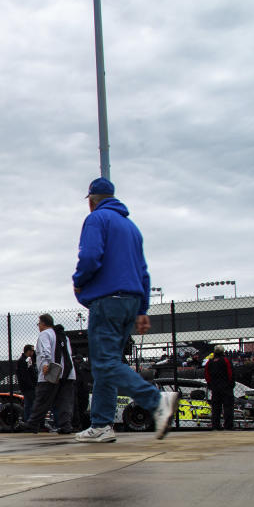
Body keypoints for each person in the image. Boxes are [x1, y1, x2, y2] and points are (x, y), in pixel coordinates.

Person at [72, 177, 178, 442]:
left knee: (104, 363)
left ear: (91, 201)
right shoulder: (132, 227)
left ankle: (157, 402)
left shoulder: (97, 219)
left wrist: (78, 282)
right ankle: (102, 424)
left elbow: (89, 256)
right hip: (130, 301)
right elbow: (143, 271)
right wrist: (142, 309)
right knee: (107, 365)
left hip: (108, 300)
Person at [23, 315, 76, 434]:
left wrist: (46, 364)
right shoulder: (64, 336)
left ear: (43, 324)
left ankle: (32, 424)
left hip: (51, 372)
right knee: (64, 401)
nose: (38, 327)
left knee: (42, 399)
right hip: (67, 372)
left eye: (39, 324)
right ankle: (65, 425)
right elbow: (69, 352)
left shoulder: (45, 334)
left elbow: (45, 350)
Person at [205, 345, 235, 430]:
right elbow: (230, 374)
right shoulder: (226, 360)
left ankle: (215, 426)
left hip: (215, 388)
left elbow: (207, 375)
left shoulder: (209, 362)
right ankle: (228, 426)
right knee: (228, 407)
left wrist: (210, 384)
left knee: (215, 408)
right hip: (226, 388)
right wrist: (231, 384)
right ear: (223, 351)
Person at [16, 345, 38, 426]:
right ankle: (30, 421)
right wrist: (32, 385)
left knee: (28, 404)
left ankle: (28, 421)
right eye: (31, 351)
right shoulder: (23, 361)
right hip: (28, 386)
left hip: (28, 386)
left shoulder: (28, 360)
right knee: (31, 404)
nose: (33, 352)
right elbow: (24, 375)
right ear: (28, 351)